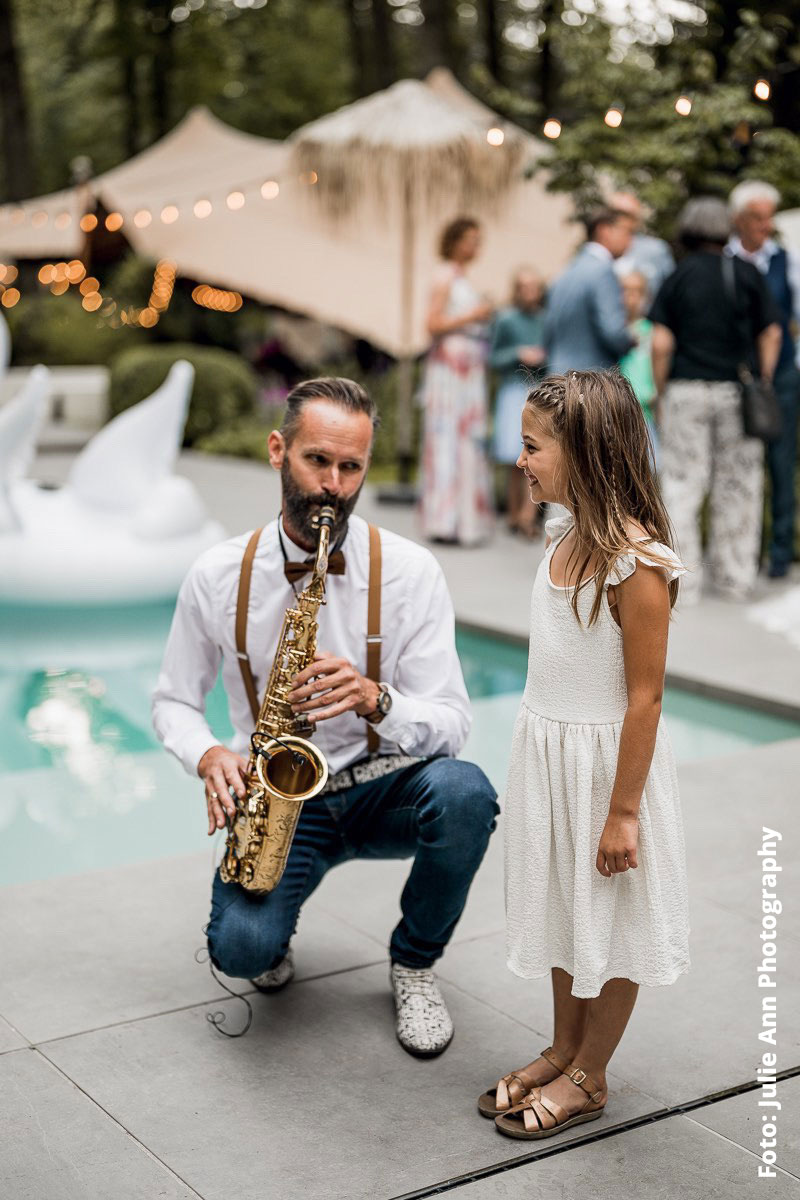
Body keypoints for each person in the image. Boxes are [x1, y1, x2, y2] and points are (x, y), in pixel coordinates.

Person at [152, 377, 499, 1057]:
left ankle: (415, 961)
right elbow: (173, 700)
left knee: (465, 794)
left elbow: (453, 723)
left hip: (384, 787)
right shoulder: (217, 574)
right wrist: (209, 754)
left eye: (351, 467)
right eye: (317, 460)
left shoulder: (410, 571)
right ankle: (272, 926)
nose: (333, 486)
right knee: (241, 952)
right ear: (277, 450)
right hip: (281, 799)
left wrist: (377, 699)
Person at [478, 369, 690, 1139]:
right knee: (566, 908)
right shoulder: (561, 536)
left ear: (587, 453)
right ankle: (563, 1048)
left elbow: (646, 699)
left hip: (607, 775)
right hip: (552, 760)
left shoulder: (637, 565)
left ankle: (590, 1075)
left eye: (533, 447)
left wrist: (624, 813)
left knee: (614, 922)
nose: (520, 460)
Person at [649, 197, 781, 605]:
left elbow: (661, 343)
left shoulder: (677, 276)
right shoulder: (745, 272)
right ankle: (734, 577)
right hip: (736, 392)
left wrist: (661, 392)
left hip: (686, 390)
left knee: (682, 484)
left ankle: (682, 582)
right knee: (739, 485)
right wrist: (763, 378)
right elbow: (772, 332)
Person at [728, 180, 800, 579]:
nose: (765, 225)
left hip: (782, 375)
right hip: (736, 374)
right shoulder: (724, 259)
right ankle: (744, 550)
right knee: (738, 464)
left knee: (780, 463)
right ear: (739, 219)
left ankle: (780, 552)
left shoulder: (785, 260)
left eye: (768, 218)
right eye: (757, 217)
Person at [419, 216, 494, 545]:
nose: (476, 247)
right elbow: (432, 323)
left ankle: (465, 520)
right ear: (456, 242)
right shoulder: (445, 276)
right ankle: (444, 519)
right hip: (451, 371)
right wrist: (472, 316)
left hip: (468, 370)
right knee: (448, 436)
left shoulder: (462, 278)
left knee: (467, 439)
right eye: (471, 240)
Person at [544, 207, 636, 376]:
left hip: (557, 377)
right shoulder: (603, 272)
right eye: (627, 232)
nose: (631, 241)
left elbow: (548, 331)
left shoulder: (565, 272)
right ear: (604, 230)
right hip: (590, 380)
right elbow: (613, 331)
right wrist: (632, 341)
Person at [489, 268, 547, 537]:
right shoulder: (505, 319)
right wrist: (517, 354)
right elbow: (493, 358)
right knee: (513, 455)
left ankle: (527, 515)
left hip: (538, 387)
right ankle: (512, 513)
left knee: (534, 452)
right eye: (524, 287)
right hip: (513, 388)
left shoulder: (546, 319)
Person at [618, 270, 659, 463]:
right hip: (618, 407)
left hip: (645, 408)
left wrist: (655, 391)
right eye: (625, 290)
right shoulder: (613, 331)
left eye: (637, 291)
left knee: (648, 463)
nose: (631, 297)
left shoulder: (651, 330)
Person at [611, 190, 676, 296]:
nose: (622, 220)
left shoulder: (656, 250)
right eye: (617, 214)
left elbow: (671, 290)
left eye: (628, 215)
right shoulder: (601, 251)